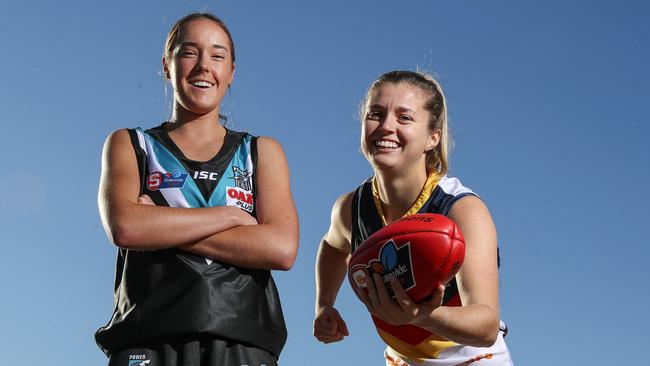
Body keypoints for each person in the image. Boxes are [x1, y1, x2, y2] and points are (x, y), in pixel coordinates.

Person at [95, 13, 299, 366]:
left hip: (242, 343)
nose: (204, 66)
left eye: (217, 56)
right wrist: (231, 217)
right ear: (167, 65)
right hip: (147, 340)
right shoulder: (131, 144)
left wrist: (161, 222)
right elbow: (126, 226)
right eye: (189, 52)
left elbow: (281, 248)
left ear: (231, 71)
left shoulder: (261, 151)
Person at [313, 70, 512, 365]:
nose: (386, 126)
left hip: (472, 358)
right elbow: (333, 246)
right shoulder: (351, 208)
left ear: (433, 137)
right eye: (375, 114)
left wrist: (422, 316)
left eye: (404, 118)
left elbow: (485, 325)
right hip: (401, 358)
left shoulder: (461, 209)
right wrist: (324, 304)